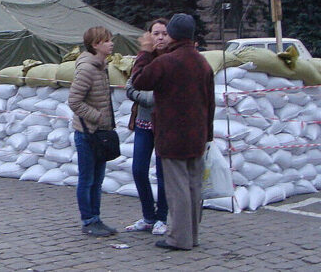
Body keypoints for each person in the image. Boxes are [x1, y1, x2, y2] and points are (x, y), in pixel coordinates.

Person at [132, 13, 214, 251]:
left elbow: (139, 80)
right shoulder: (202, 63)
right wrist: (208, 135)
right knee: (194, 187)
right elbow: (210, 103)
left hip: (172, 135)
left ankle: (179, 238)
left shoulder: (167, 62)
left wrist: (144, 52)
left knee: (177, 189)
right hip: (197, 135)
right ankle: (192, 236)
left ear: (173, 35)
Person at [68, 26, 117, 237]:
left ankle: (96, 218)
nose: (111, 44)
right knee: (87, 179)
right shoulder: (87, 69)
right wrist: (97, 117)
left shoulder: (101, 66)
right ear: (96, 44)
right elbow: (74, 101)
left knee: (97, 180)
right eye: (107, 40)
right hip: (87, 133)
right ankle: (88, 220)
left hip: (100, 133)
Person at [124, 18, 169, 235]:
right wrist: (151, 98)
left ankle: (162, 217)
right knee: (139, 170)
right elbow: (131, 87)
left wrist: (152, 97)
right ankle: (148, 215)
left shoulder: (172, 60)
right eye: (156, 33)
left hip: (165, 125)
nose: (160, 37)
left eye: (164, 33)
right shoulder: (143, 59)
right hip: (143, 122)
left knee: (163, 173)